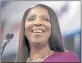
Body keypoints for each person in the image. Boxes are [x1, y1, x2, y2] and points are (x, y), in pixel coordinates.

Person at [16, 4, 80, 62]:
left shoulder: (67, 59)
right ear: (24, 29)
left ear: (52, 28)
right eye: (32, 19)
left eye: (45, 19)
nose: (37, 23)